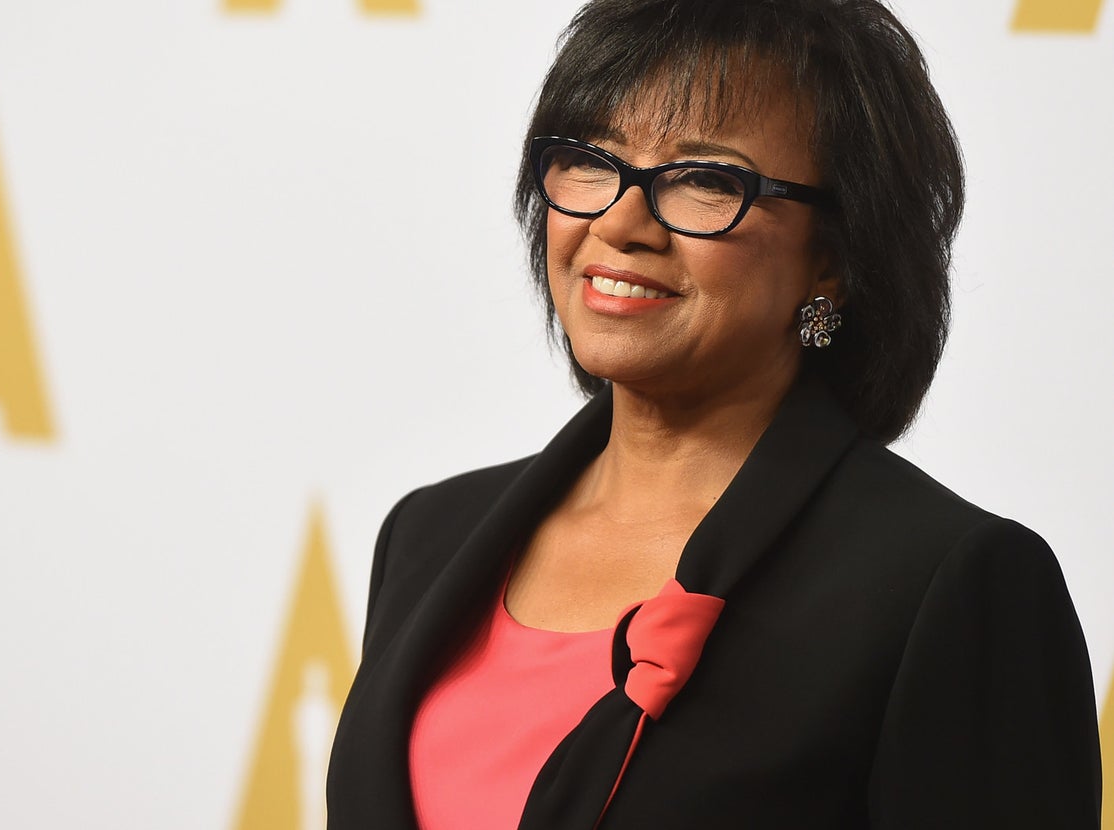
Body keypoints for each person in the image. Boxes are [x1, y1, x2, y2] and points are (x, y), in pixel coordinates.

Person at [327, 0, 1103, 827]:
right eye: (590, 159)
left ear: (834, 259)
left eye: (705, 179)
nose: (618, 223)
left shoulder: (948, 585)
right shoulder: (429, 535)